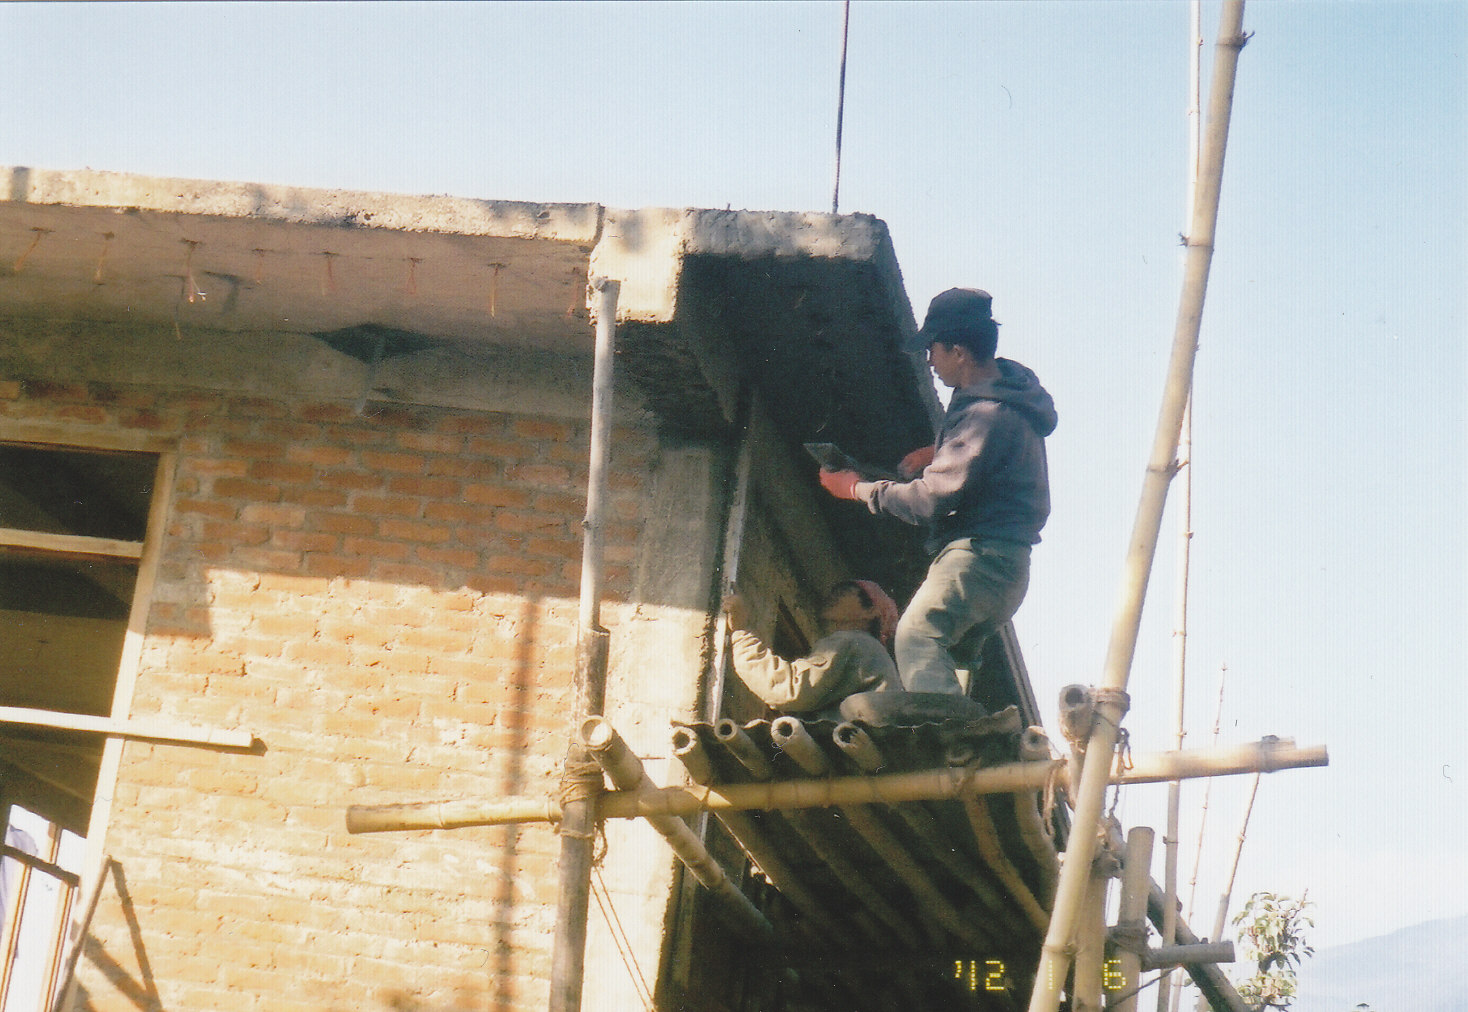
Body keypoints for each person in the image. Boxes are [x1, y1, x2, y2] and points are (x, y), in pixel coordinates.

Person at [818, 287, 1056, 696]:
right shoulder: (1009, 397)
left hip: (979, 560)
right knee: (954, 657)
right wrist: (942, 451)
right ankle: (970, 740)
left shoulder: (984, 414)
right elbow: (993, 452)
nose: (929, 361)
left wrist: (855, 488)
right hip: (1008, 569)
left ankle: (943, 737)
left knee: (917, 637)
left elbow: (929, 500)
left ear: (959, 352)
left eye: (933, 349)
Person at [722, 579, 902, 719]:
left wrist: (741, 631)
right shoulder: (872, 653)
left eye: (845, 591)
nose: (834, 595)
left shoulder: (853, 641)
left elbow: (790, 689)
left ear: (871, 612)